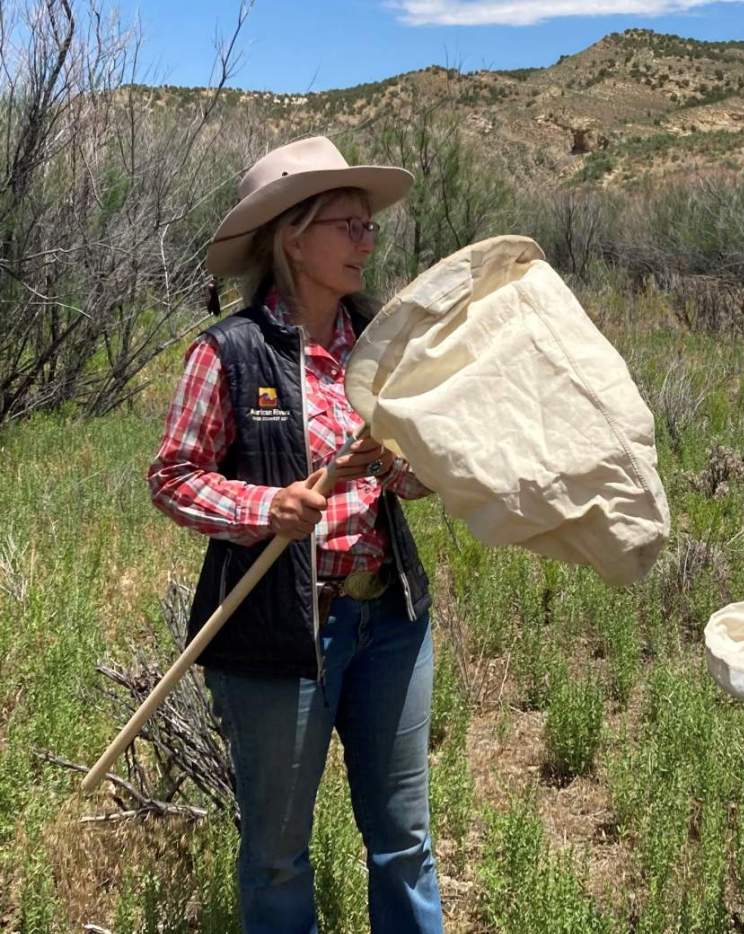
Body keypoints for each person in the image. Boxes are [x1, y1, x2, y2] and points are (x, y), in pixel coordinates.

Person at [149, 136, 442, 932]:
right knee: (278, 854)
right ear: (293, 237)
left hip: (389, 623)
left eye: (367, 226)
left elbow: (415, 475)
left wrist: (411, 470)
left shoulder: (383, 345)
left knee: (404, 841)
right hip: (279, 634)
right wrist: (263, 508)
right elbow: (172, 477)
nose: (366, 241)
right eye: (347, 224)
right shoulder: (230, 354)